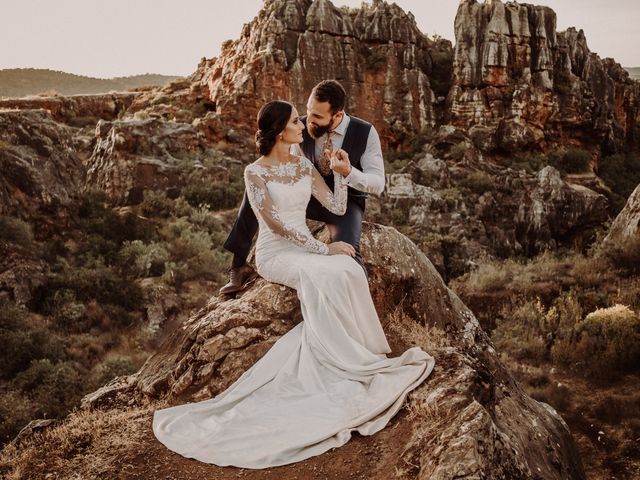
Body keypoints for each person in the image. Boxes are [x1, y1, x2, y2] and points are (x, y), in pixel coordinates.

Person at [152, 100, 435, 469]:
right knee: (324, 271)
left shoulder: (303, 163)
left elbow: (334, 206)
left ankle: (361, 352)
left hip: (305, 244)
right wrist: (323, 248)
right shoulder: (255, 173)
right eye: (293, 123)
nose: (301, 127)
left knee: (348, 270)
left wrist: (342, 173)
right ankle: (339, 359)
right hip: (277, 253)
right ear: (278, 131)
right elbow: (274, 226)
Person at [219, 79, 385, 294]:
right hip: (306, 196)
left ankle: (357, 300)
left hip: (345, 201)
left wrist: (347, 173)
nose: (308, 121)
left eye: (317, 116)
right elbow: (289, 167)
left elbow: (378, 184)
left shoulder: (365, 132)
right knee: (259, 188)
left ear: (337, 115)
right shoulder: (299, 127)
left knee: (348, 256)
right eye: (308, 111)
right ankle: (238, 264)